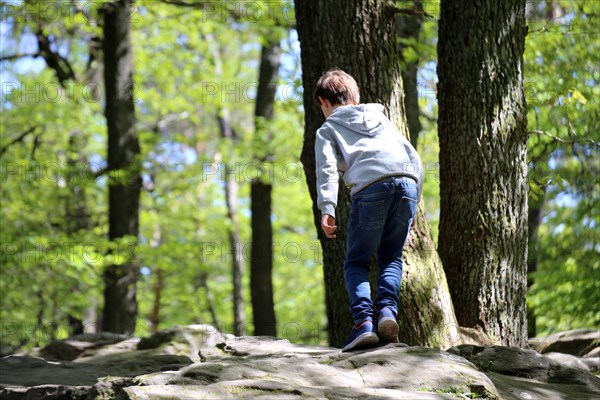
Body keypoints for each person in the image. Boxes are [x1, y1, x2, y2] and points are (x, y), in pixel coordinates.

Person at [313, 69, 423, 352]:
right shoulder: (382, 119)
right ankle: (387, 311)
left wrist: (328, 207)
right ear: (356, 96)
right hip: (407, 185)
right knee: (391, 257)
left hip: (372, 189)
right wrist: (415, 199)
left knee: (357, 262)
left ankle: (364, 323)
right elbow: (413, 156)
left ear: (324, 102)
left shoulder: (328, 129)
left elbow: (327, 169)